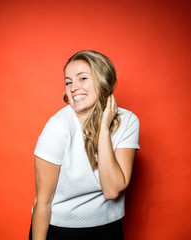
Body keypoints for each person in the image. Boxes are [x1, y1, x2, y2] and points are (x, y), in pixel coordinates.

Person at [29, 50, 140, 240]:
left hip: (109, 230)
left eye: (82, 78)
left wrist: (104, 130)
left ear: (102, 79)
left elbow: (112, 190)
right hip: (61, 232)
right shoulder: (58, 126)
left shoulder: (128, 121)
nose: (73, 87)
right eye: (68, 82)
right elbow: (43, 201)